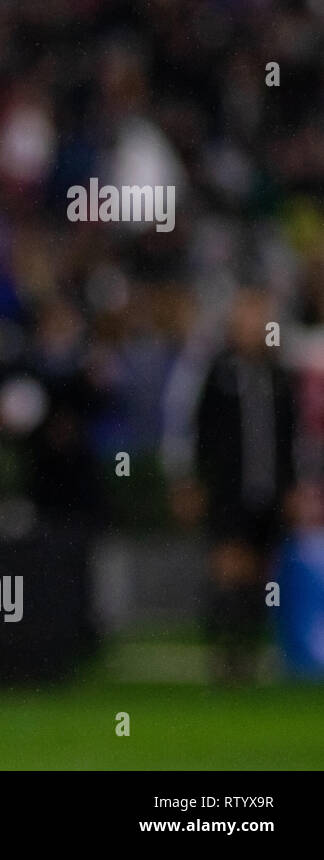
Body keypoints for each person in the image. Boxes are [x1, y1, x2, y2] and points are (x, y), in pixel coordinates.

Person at [193, 285, 298, 684]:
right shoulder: (219, 374)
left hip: (268, 490)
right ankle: (226, 658)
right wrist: (196, 483)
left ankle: (251, 654)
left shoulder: (277, 376)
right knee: (229, 569)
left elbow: (289, 438)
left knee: (259, 574)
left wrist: (291, 487)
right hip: (227, 491)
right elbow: (200, 433)